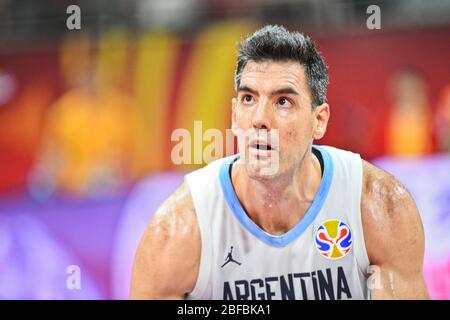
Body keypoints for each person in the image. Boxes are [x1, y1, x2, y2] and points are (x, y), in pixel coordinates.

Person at [130, 25, 429, 300]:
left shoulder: (377, 207)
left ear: (319, 120)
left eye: (282, 101)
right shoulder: (179, 229)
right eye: (248, 99)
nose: (260, 119)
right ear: (235, 116)